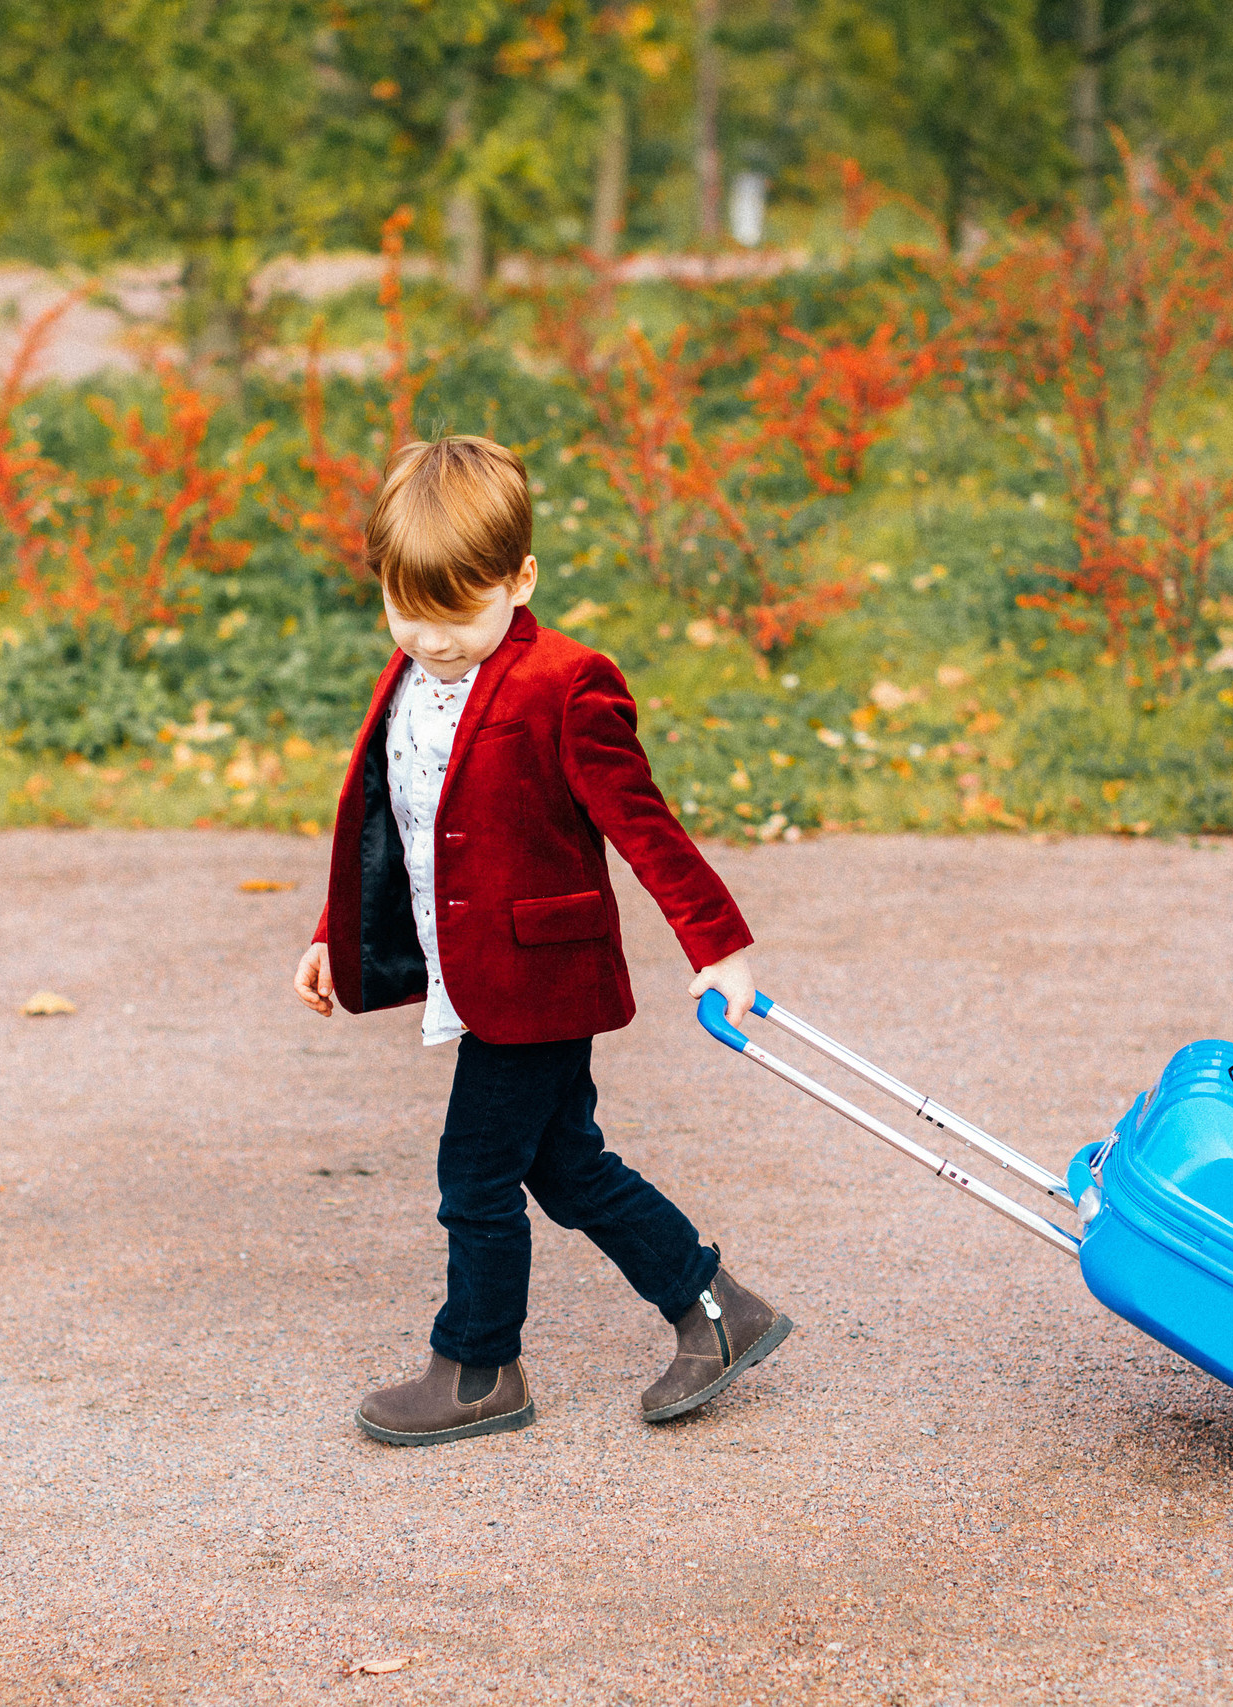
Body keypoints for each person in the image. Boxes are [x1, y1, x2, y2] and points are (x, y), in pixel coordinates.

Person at [292, 435, 791, 1446]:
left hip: (540, 979)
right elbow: (392, 827)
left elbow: (642, 825)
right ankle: (716, 1312)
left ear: (520, 579)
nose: (429, 641)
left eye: (456, 615)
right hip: (475, 974)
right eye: (406, 612)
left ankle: (479, 1366)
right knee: (564, 1166)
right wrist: (327, 937)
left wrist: (717, 947)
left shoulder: (566, 683)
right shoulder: (409, 677)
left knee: (473, 1177)